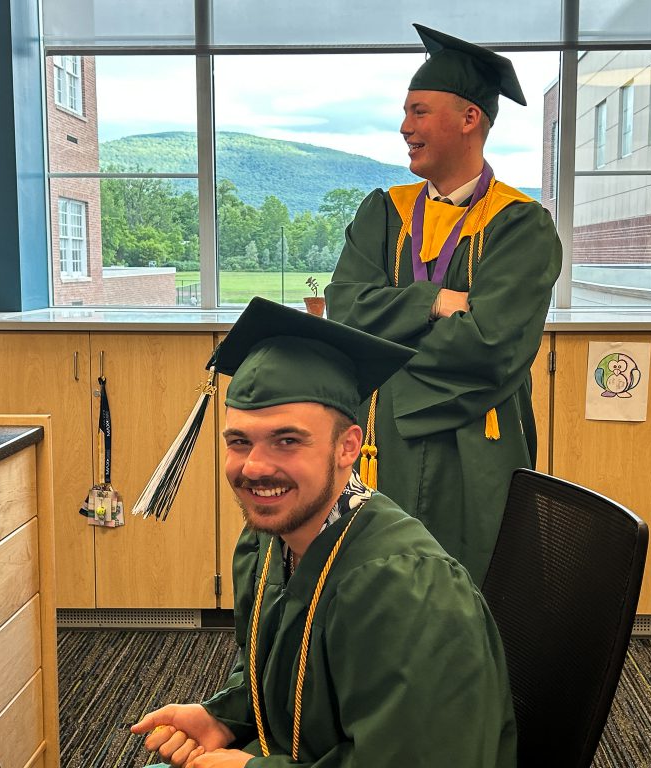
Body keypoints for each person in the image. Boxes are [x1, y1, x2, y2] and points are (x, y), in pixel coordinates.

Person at [131, 297, 517, 767]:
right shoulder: (268, 543)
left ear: (347, 447)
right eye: (239, 441)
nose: (254, 466)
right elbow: (270, 670)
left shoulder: (406, 589)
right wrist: (224, 718)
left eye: (287, 441)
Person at [325, 24, 563, 585]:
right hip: (381, 447)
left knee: (470, 589)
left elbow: (490, 348)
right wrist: (433, 302)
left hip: (474, 453)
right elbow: (345, 307)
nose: (405, 127)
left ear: (469, 118)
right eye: (406, 113)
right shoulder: (383, 214)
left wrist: (384, 351)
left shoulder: (520, 226)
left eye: (420, 111)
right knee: (372, 585)